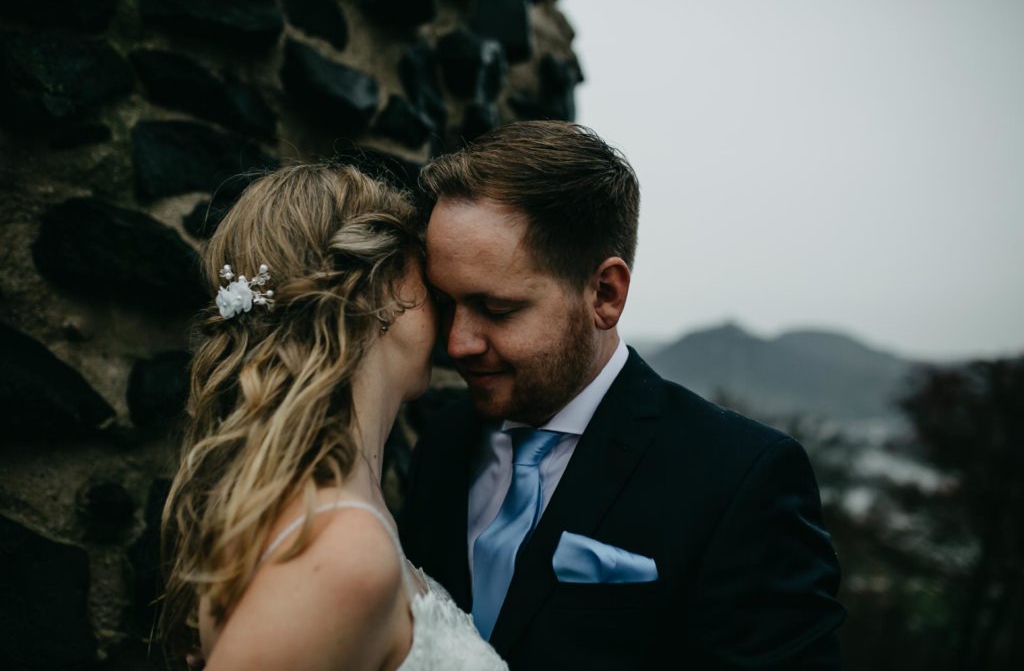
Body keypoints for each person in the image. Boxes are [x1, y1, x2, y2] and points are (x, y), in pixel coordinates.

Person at [400, 121, 846, 669]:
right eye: (445, 303)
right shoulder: (442, 442)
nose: (457, 343)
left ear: (605, 295)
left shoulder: (741, 479)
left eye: (496, 310)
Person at [160, 164, 508, 670]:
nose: (451, 324)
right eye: (432, 288)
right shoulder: (339, 551)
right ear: (385, 290)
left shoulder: (337, 515)